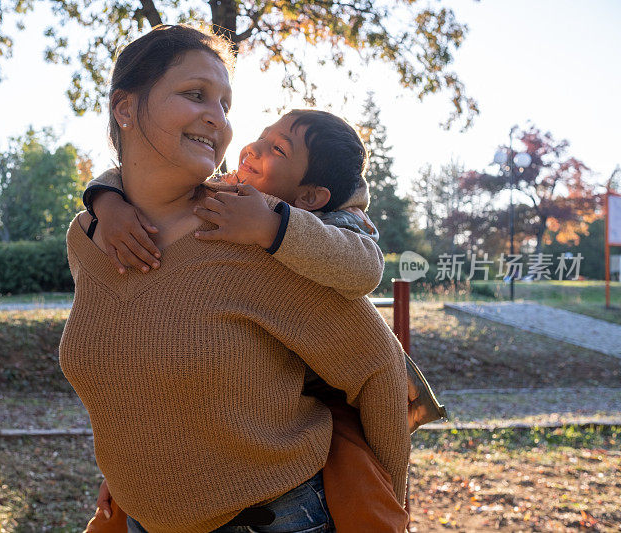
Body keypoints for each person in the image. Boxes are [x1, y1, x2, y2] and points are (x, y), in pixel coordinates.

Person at [59, 24, 410, 533]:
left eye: (224, 104)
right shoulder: (88, 236)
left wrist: (386, 503)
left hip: (274, 520)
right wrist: (104, 197)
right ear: (125, 108)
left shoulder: (252, 230)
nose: (218, 119)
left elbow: (377, 364)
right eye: (195, 94)